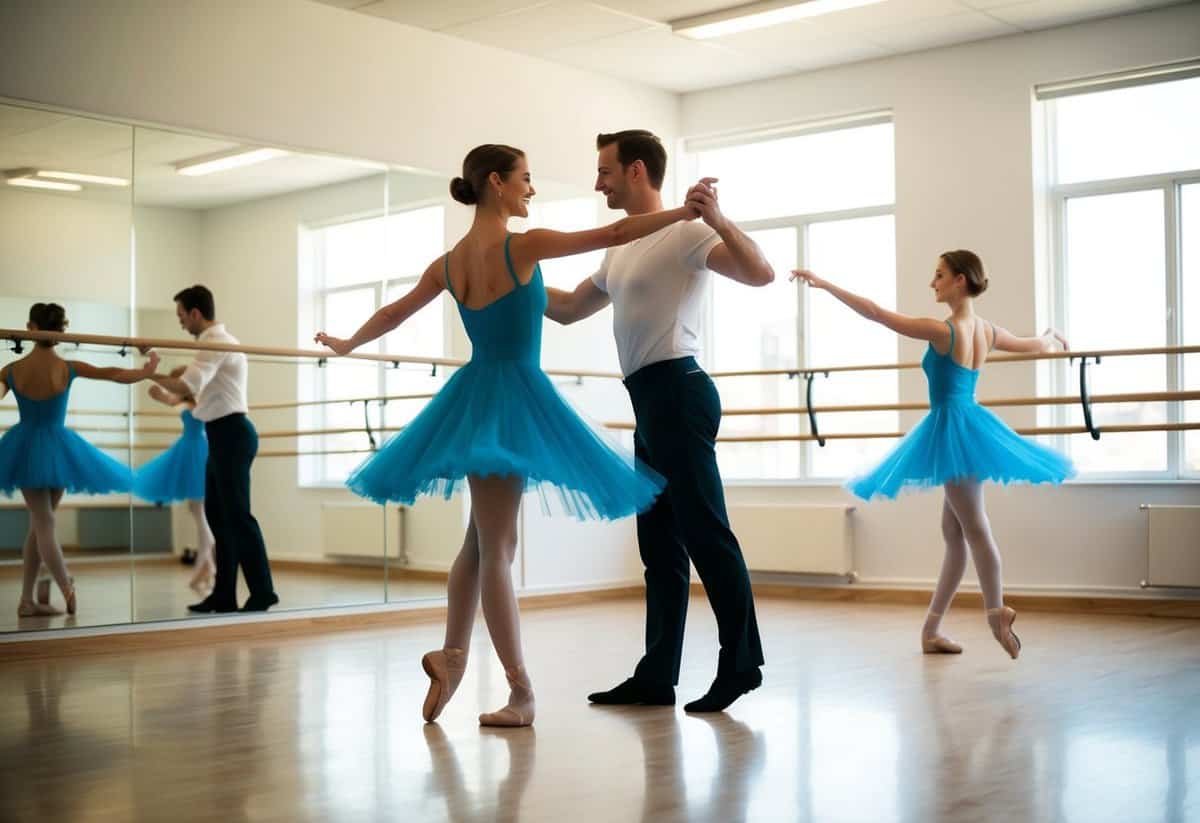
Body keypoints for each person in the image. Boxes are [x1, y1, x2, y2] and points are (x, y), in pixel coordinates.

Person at [315, 143, 710, 727]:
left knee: (479, 541)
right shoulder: (522, 246)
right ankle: (519, 691)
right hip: (513, 398)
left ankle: (451, 656)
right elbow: (614, 236)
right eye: (526, 180)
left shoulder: (448, 263)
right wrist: (681, 214)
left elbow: (395, 313)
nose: (531, 190)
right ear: (496, 183)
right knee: (498, 549)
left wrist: (348, 343)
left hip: (477, 398)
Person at [545, 130, 772, 713]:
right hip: (646, 399)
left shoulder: (686, 232)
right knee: (660, 546)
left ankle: (741, 663)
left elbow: (760, 273)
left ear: (637, 170)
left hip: (679, 390)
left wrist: (719, 220)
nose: (599, 183)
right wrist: (510, 278)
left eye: (605, 172)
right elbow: (570, 308)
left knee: (704, 532)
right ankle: (657, 674)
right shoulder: (621, 247)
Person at [791, 250, 1075, 658]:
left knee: (973, 528)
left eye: (939, 275)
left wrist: (826, 284)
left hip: (952, 429)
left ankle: (997, 613)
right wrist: (1051, 335)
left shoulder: (944, 331)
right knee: (955, 534)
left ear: (960, 280)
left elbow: (876, 313)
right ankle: (932, 631)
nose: (933, 282)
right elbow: (1033, 344)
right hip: (968, 426)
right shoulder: (988, 330)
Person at [0, 302, 158, 617]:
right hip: (59, 449)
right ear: (61, 332)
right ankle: (64, 584)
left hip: (26, 447)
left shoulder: (11, 370)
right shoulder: (67, 367)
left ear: (30, 328)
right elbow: (112, 373)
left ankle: (27, 600)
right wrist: (144, 372)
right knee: (44, 523)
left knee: (40, 523)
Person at [146, 286, 277, 614]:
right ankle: (224, 595)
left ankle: (263, 591)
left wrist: (148, 373)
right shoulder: (210, 345)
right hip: (219, 435)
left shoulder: (215, 343)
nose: (181, 324)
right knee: (219, 516)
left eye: (181, 317)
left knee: (238, 516)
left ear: (195, 313)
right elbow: (191, 395)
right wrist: (162, 387)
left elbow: (187, 385)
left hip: (232, 433)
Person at [133, 386, 214, 593]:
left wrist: (163, 390)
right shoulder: (198, 401)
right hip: (193, 448)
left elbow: (163, 395)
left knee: (198, 511)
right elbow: (161, 395)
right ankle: (208, 567)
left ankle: (205, 566)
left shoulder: (195, 401)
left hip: (194, 449)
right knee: (197, 509)